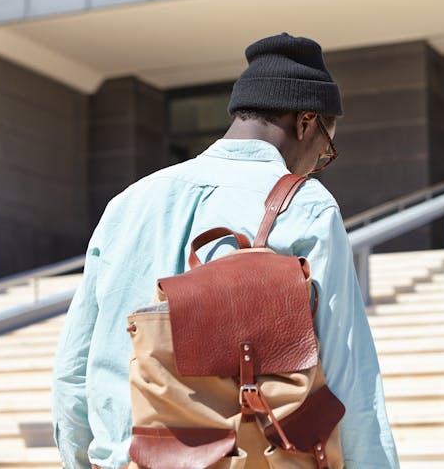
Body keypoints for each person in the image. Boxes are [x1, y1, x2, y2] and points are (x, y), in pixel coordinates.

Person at [51, 33, 400, 468]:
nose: (316, 164)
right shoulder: (307, 206)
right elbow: (349, 379)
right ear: (305, 122)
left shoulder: (127, 205)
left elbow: (72, 373)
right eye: (325, 151)